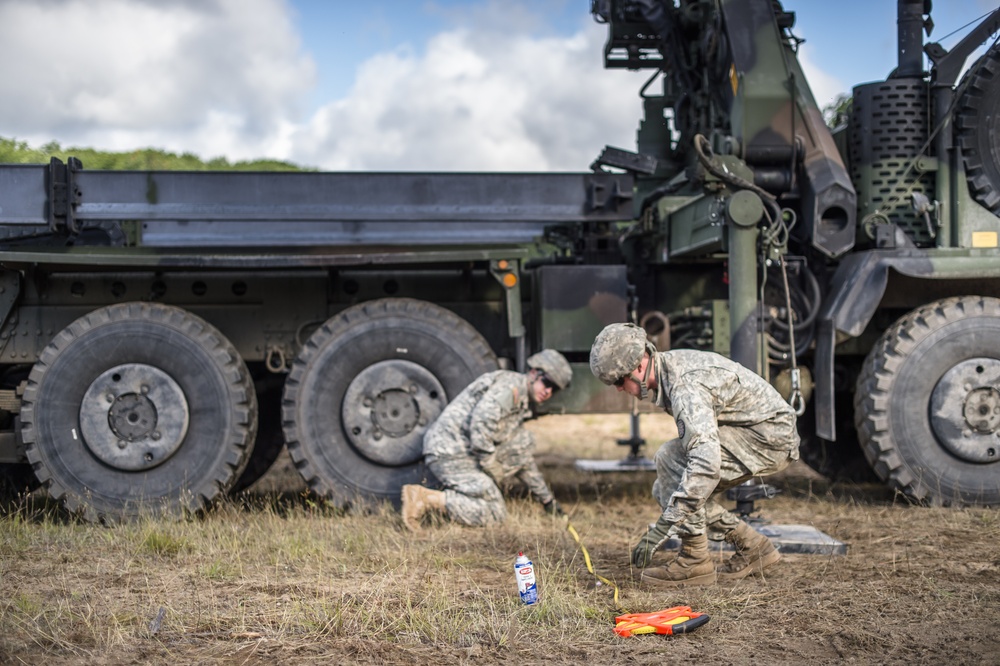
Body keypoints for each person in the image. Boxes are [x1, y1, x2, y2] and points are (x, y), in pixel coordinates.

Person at [589, 322, 800, 587]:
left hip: (768, 436)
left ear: (639, 366)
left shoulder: (685, 386)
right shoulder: (669, 370)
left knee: (670, 459)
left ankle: (694, 560)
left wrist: (663, 528)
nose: (619, 389)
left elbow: (705, 464)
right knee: (666, 489)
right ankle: (752, 546)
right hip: (759, 431)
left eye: (619, 380)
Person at [401, 349, 572, 530]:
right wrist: (491, 466)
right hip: (449, 452)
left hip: (459, 452)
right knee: (494, 512)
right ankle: (423, 499)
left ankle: (443, 498)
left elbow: (523, 460)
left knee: (523, 442)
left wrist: (547, 501)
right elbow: (481, 423)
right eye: (546, 382)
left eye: (554, 389)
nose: (548, 391)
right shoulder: (511, 388)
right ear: (533, 373)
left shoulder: (520, 400)